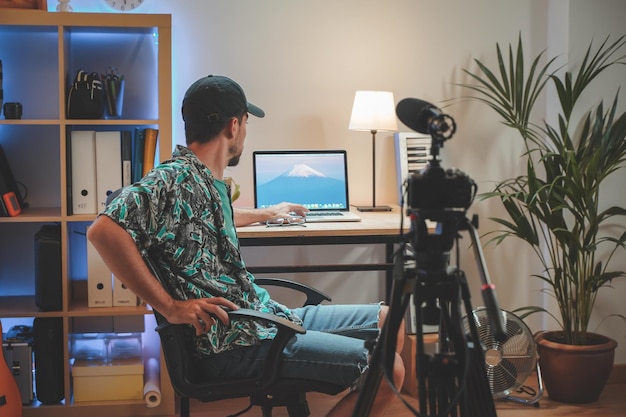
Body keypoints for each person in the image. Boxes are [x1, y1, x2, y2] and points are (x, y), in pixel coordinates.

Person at [87, 75, 405, 417]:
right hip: (234, 341)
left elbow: (204, 217)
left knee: (390, 320)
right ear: (234, 125)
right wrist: (170, 306)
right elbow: (103, 231)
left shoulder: (201, 179)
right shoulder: (175, 178)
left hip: (262, 318)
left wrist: (268, 212)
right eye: (247, 123)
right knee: (390, 368)